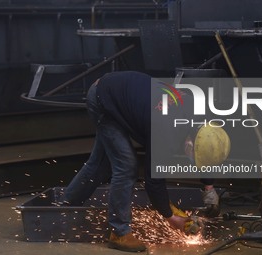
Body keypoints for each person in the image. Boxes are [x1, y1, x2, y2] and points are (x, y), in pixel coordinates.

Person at [64, 71, 230, 252]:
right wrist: (170, 217)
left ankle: (66, 203)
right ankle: (119, 232)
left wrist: (209, 188)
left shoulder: (202, 122)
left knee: (100, 163)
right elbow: (154, 182)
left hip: (121, 93)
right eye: (193, 157)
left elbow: (206, 154)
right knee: (126, 167)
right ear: (190, 142)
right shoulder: (167, 133)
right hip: (103, 98)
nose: (192, 161)